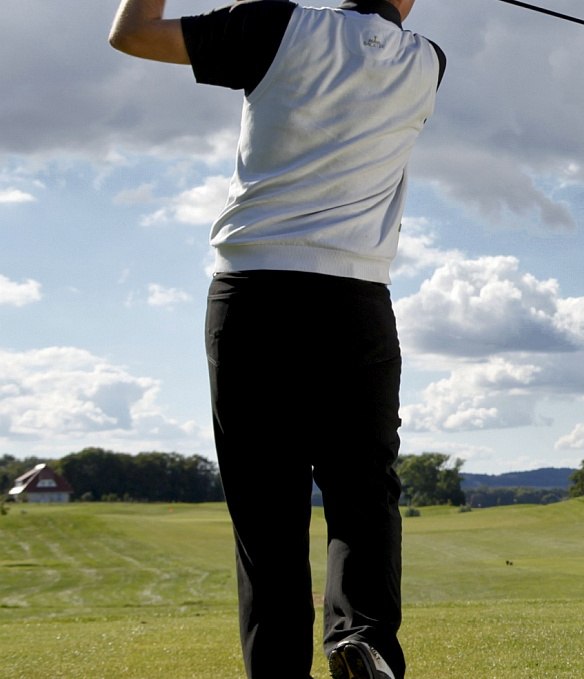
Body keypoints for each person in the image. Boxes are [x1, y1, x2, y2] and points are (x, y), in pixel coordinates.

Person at [109, 1, 442, 677]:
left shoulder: (273, 25)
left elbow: (134, 33)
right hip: (356, 302)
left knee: (267, 525)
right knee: (362, 496)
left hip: (252, 299)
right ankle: (363, 632)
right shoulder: (428, 63)